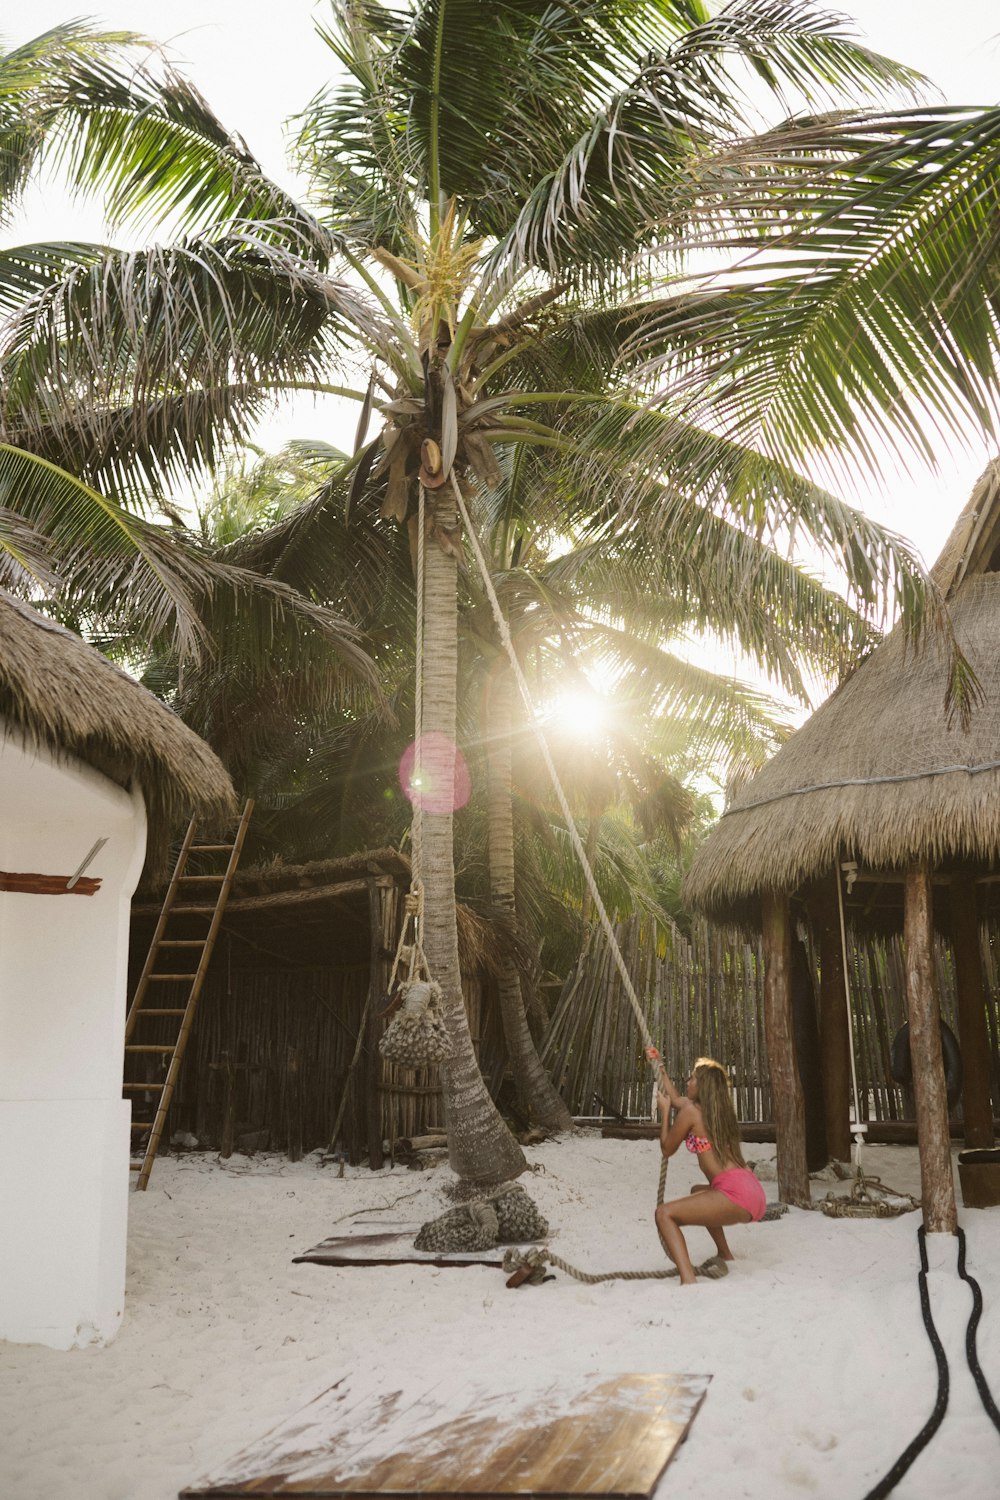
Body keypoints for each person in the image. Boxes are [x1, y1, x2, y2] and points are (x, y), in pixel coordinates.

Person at [652, 1055, 765, 1284]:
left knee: (663, 1214)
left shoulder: (692, 1112)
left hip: (735, 1194)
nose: (688, 1081)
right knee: (697, 1191)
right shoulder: (719, 1112)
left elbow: (666, 1149)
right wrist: (659, 1067)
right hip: (752, 1191)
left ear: (702, 1086)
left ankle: (688, 1280)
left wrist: (664, 1113)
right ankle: (725, 1253)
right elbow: (675, 1099)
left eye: (692, 1079)